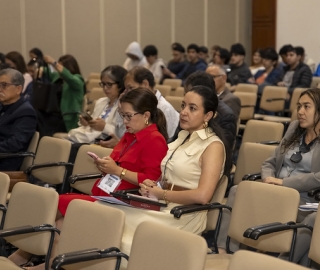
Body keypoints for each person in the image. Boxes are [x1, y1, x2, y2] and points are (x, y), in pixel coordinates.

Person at [9, 88, 169, 269]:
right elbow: (119, 163)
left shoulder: (155, 140)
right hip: (108, 195)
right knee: (58, 220)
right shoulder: (129, 135)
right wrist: (105, 165)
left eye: (128, 116)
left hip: (126, 202)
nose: (124, 121)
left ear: (146, 115)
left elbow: (150, 181)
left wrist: (117, 171)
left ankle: (27, 256)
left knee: (59, 202)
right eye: (122, 115)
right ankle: (48, 262)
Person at [99, 84, 231, 261]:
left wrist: (161, 193)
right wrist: (152, 185)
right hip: (160, 205)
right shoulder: (182, 137)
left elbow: (203, 196)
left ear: (208, 115)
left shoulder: (213, 146)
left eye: (192, 108)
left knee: (121, 238)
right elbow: (167, 177)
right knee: (106, 217)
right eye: (183, 105)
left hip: (183, 215)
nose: (184, 112)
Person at [217, 88, 320, 268]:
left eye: (306, 106)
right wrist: (268, 179)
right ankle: (225, 251)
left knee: (312, 220)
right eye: (299, 106)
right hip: (274, 192)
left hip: (303, 200)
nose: (300, 111)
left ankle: (277, 265)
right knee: (237, 190)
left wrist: (283, 183)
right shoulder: (295, 128)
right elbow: (269, 162)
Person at [67, 65, 127, 147]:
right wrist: (86, 122)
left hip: (104, 142)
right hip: (90, 138)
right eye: (103, 84)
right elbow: (92, 122)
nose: (105, 88)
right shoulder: (100, 102)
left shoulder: (125, 106)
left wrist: (104, 127)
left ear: (120, 85)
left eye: (109, 84)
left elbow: (123, 132)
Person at [183, 71, 237, 152]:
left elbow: (223, 150)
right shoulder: (186, 111)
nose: (184, 111)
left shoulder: (226, 116)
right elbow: (177, 138)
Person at [124, 67, 179, 139]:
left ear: (145, 84)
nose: (127, 93)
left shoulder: (164, 108)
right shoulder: (137, 104)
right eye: (126, 89)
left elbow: (167, 142)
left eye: (131, 88)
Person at [38, 54, 85, 136]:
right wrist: (42, 69)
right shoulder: (58, 78)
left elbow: (70, 78)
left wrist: (53, 62)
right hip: (53, 114)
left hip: (67, 118)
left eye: (60, 67)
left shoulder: (77, 80)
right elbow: (50, 73)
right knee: (35, 112)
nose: (58, 69)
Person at [0, 69, 37, 171]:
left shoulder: (25, 112)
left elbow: (15, 144)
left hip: (7, 162)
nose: (0, 89)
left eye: (4, 85)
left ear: (18, 89)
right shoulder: (3, 106)